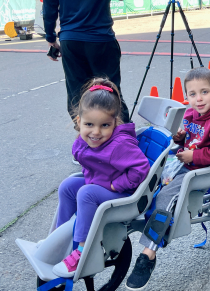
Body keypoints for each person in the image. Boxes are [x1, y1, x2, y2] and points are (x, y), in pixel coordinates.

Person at [126, 67, 210, 290]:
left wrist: (194, 154)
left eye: (204, 92)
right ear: (186, 96)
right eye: (192, 94)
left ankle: (148, 255)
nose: (199, 99)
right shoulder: (190, 113)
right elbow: (188, 138)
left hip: (201, 171)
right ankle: (133, 215)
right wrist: (180, 139)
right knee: (148, 180)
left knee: (165, 196)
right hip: (183, 163)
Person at [52, 78, 150, 278]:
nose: (96, 132)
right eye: (89, 124)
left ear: (115, 122)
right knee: (68, 185)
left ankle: (82, 251)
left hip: (124, 195)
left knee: (86, 193)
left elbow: (141, 169)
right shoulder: (83, 139)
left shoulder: (119, 145)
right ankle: (58, 239)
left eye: (105, 125)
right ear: (78, 122)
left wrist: (116, 185)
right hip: (101, 184)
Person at [42, 0, 130, 123]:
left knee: (76, 94)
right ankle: (124, 138)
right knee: (111, 91)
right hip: (102, 41)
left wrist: (50, 38)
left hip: (71, 40)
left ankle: (85, 139)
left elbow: (49, 8)